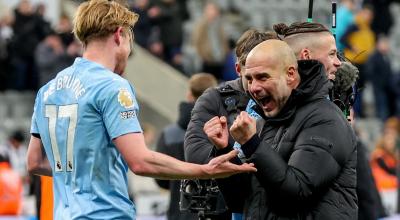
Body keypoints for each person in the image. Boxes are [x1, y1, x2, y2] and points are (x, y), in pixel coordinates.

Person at [26, 1, 256, 220]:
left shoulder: (48, 90)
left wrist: (80, 176)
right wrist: (205, 170)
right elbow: (140, 162)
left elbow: (34, 163)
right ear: (119, 34)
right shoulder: (111, 85)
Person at [205, 40, 358, 219]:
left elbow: (297, 192)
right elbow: (242, 201)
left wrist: (252, 144)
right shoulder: (267, 118)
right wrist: (223, 149)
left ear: (290, 74)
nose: (253, 87)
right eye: (249, 79)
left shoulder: (325, 119)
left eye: (263, 77)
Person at [274, 21, 384, 220]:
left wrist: (252, 146)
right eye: (332, 54)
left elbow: (298, 186)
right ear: (306, 55)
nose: (338, 62)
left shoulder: (328, 116)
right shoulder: (269, 110)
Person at [184, 29, 277, 220]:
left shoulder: (286, 99)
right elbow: (195, 154)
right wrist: (227, 150)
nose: (257, 86)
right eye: (251, 74)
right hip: (226, 209)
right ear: (239, 69)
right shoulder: (214, 99)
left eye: (265, 73)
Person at [155, 73, 218, 220]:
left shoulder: (168, 134)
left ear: (189, 94)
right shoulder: (222, 130)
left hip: (179, 211)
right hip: (215, 211)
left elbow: (160, 177)